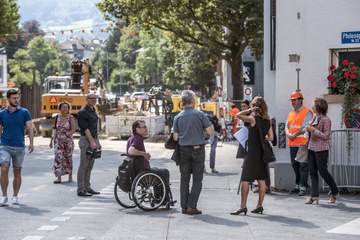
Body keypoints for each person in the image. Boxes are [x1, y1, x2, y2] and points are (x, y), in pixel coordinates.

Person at [230, 96, 273, 215]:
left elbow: (238, 115)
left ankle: (243, 206)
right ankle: (259, 205)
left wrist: (249, 110)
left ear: (255, 107)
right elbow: (271, 137)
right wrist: (262, 137)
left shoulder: (253, 119)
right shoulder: (267, 120)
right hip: (262, 151)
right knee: (261, 179)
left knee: (245, 179)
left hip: (252, 151)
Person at [173, 90, 213, 215]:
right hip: (197, 149)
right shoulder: (200, 115)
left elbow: (175, 137)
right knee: (197, 179)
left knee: (184, 179)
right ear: (194, 101)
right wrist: (202, 136)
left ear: (182, 102)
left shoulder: (177, 117)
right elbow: (210, 131)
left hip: (183, 150)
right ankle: (192, 206)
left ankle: (184, 206)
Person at [127, 120, 176, 206]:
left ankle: (159, 197)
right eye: (144, 127)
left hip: (136, 171)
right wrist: (144, 154)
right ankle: (162, 198)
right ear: (137, 129)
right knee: (164, 172)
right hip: (142, 173)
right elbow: (131, 151)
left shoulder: (132, 138)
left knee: (158, 171)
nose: (146, 129)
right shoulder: (138, 139)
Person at [0, 89, 34, 206]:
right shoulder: (2, 113)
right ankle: (4, 196)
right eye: (14, 98)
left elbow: (30, 127)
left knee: (17, 171)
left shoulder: (24, 112)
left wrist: (31, 142)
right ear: (8, 99)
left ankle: (15, 196)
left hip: (19, 146)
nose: (16, 100)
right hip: (5, 145)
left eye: (17, 97)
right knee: (4, 168)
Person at [304, 97, 339, 204]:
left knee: (323, 172)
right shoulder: (314, 118)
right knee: (312, 172)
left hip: (321, 149)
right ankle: (314, 195)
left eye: (314, 105)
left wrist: (313, 130)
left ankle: (335, 192)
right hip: (311, 148)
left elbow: (326, 136)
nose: (312, 107)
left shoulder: (326, 119)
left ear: (319, 107)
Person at [286, 90, 313, 196]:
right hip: (292, 143)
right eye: (292, 100)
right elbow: (286, 126)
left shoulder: (307, 112)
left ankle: (303, 187)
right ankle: (298, 185)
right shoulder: (291, 113)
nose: (293, 102)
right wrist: (288, 134)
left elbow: (305, 127)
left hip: (302, 142)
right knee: (294, 165)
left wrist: (294, 135)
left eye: (295, 100)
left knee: (303, 165)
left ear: (301, 100)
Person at [77, 93, 102, 197]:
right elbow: (85, 129)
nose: (93, 100)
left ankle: (87, 187)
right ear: (86, 99)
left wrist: (97, 142)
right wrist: (92, 142)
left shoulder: (93, 111)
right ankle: (81, 189)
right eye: (90, 98)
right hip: (86, 140)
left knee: (90, 166)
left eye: (94, 98)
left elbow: (94, 129)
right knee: (84, 165)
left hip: (93, 139)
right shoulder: (82, 112)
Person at [49, 101, 76, 183]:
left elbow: (73, 129)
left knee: (68, 158)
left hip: (68, 141)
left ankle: (70, 175)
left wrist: (67, 134)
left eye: (66, 107)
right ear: (60, 108)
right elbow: (54, 129)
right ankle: (58, 177)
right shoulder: (57, 117)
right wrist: (51, 141)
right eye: (63, 107)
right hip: (58, 140)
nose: (65, 109)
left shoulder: (70, 117)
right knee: (58, 158)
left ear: (68, 109)